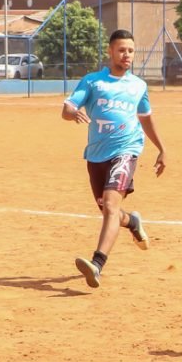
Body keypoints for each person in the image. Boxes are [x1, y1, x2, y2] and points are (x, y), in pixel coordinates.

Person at [62, 29, 166, 288]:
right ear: (110, 51)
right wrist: (72, 113)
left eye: (130, 50)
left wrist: (161, 148)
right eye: (121, 50)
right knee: (111, 212)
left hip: (126, 150)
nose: (127, 55)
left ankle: (97, 264)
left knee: (109, 204)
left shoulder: (139, 86)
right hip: (96, 155)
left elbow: (146, 119)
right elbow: (67, 108)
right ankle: (132, 221)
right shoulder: (93, 82)